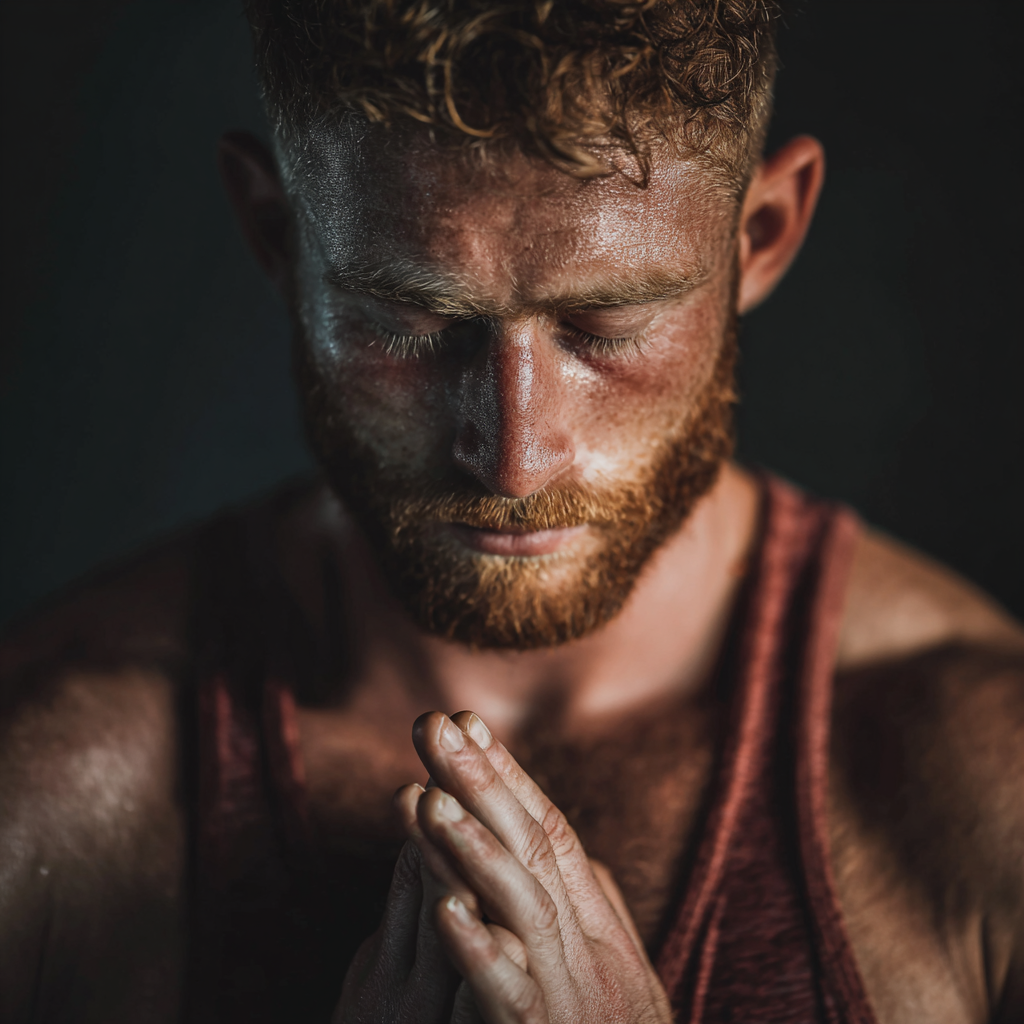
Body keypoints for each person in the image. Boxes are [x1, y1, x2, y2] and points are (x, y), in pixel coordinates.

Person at [1, 1, 1022, 1021]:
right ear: (276, 233)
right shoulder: (45, 782)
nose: (514, 461)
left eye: (606, 324)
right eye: (413, 321)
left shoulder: (983, 781)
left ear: (761, 234)